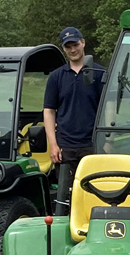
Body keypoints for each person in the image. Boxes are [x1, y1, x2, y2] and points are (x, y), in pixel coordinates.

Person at [42, 26, 107, 212]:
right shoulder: (56, 77)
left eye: (75, 45)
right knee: (65, 198)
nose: (73, 50)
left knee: (95, 194)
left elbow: (108, 108)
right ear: (64, 49)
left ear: (83, 43)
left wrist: (107, 140)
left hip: (92, 144)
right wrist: (53, 144)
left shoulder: (100, 73)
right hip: (65, 147)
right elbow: (49, 111)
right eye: (68, 46)